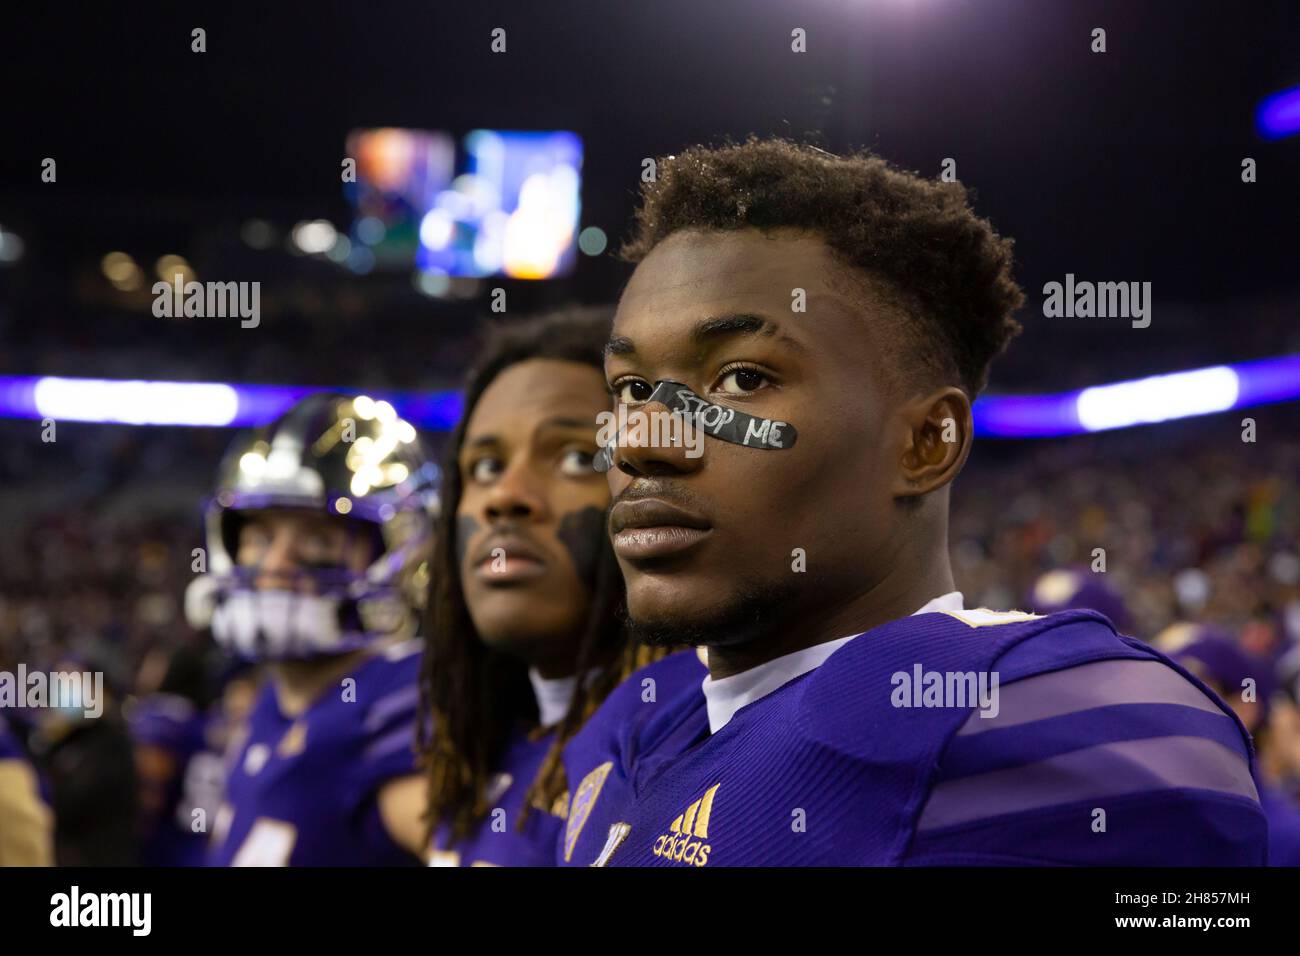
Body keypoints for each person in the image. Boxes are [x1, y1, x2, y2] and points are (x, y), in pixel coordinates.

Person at [558, 137, 1267, 866]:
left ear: (927, 442)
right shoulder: (636, 725)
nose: (643, 439)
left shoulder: (1033, 722)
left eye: (740, 379)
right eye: (632, 389)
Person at [419, 309, 704, 866]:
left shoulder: (699, 753)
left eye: (576, 458)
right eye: (483, 467)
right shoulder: (478, 750)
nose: (506, 496)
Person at [194, 392, 437, 865]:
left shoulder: (401, 706)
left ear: (404, 554)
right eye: (260, 536)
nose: (275, 565)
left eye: (320, 538)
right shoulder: (276, 698)